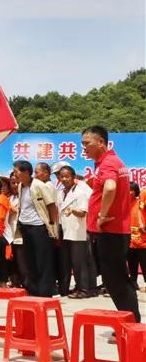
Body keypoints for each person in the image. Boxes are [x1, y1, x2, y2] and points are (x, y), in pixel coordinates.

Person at [83, 125, 140, 323]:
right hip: (113, 231)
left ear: (101, 142)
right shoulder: (111, 161)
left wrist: (102, 215)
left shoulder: (108, 163)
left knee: (116, 279)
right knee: (115, 279)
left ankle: (131, 324)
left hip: (110, 231)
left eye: (87, 143)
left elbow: (110, 187)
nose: (84, 148)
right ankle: (130, 322)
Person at [14, 160, 59, 297]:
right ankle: (33, 290)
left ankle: (45, 292)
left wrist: (52, 224)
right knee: (30, 259)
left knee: (42, 260)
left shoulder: (39, 185)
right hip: (25, 226)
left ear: (26, 172)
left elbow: (51, 206)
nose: (15, 175)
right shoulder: (21, 186)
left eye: (16, 172)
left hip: (39, 227)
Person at [58, 165, 97, 298]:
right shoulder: (61, 192)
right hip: (67, 231)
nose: (64, 179)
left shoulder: (80, 192)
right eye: (62, 177)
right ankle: (82, 287)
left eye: (67, 176)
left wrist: (73, 210)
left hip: (78, 231)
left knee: (80, 262)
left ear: (73, 177)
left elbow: (83, 212)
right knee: (75, 262)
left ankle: (85, 290)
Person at [36, 161, 64, 294]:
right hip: (49, 226)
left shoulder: (47, 186)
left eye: (37, 172)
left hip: (50, 226)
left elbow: (52, 208)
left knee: (48, 259)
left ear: (46, 173)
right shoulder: (45, 185)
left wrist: (53, 227)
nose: (35, 175)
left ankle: (51, 288)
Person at [128, 182, 146, 290]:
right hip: (129, 240)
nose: (128, 192)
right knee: (131, 263)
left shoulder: (140, 202)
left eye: (131, 190)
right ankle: (133, 283)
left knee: (144, 263)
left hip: (142, 239)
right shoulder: (124, 204)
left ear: (135, 191)